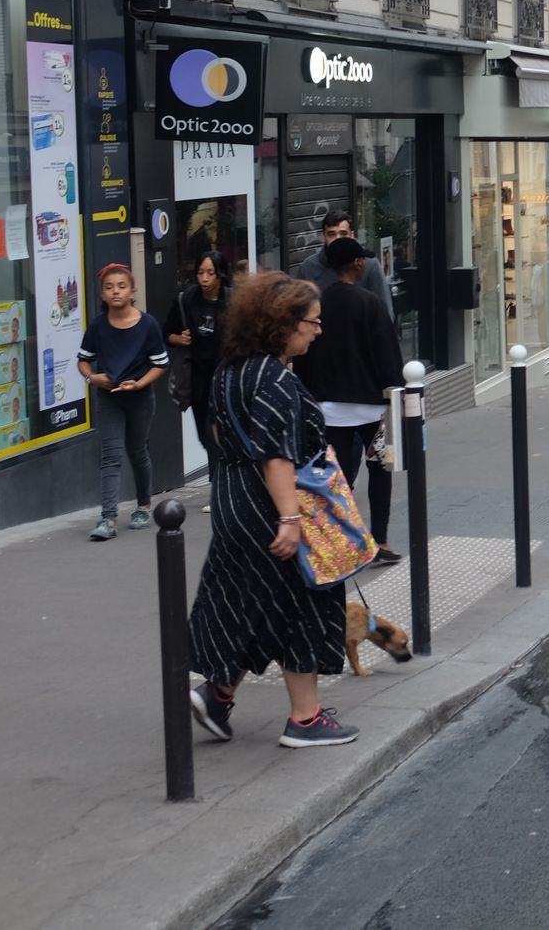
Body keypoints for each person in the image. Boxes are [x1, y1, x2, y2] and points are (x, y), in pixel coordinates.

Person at [187, 272, 359, 749]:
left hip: (232, 498)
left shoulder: (231, 370)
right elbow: (275, 454)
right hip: (270, 505)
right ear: (284, 324)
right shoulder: (275, 379)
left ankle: (218, 697)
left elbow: (220, 436)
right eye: (312, 322)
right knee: (305, 602)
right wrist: (290, 517)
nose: (318, 330)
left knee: (253, 600)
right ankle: (305, 720)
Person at [292, 237, 405, 566]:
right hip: (371, 408)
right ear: (357, 264)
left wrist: (309, 398)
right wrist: (396, 393)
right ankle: (379, 539)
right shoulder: (370, 303)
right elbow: (388, 356)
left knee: (335, 478)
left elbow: (305, 357)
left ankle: (338, 543)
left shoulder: (320, 304)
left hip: (329, 410)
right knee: (380, 471)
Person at [79, 263, 171, 539]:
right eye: (109, 288)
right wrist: (94, 379)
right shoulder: (97, 326)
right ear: (102, 295)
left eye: (121, 286)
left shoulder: (148, 325)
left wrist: (140, 383)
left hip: (140, 397)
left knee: (137, 450)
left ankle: (143, 505)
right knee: (111, 455)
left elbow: (161, 363)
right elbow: (83, 360)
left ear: (132, 291)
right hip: (109, 397)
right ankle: (107, 518)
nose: (115, 292)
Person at [166, 250, 233, 467]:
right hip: (197, 379)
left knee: (220, 433)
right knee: (205, 437)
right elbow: (167, 332)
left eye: (210, 273)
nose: (204, 278)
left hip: (225, 377)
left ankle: (218, 484)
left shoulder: (233, 300)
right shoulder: (186, 299)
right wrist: (179, 338)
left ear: (220, 274)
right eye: (200, 272)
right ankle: (219, 476)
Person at [293, 211, 393, 318]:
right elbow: (300, 315)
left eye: (343, 234)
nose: (338, 239)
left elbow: (385, 311)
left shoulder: (369, 264)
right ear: (323, 237)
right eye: (331, 234)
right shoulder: (308, 268)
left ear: (352, 235)